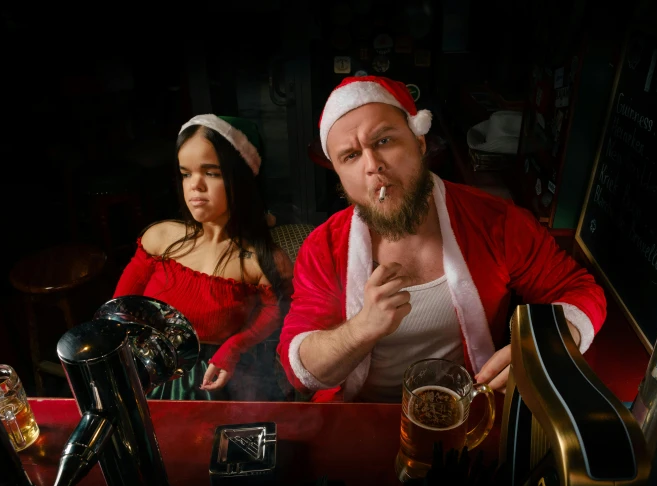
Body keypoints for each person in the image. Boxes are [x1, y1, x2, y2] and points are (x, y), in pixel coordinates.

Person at [277, 76, 607, 402]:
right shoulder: (323, 247)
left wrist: (544, 351)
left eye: (384, 141)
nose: (372, 166)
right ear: (339, 176)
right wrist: (361, 329)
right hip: (359, 417)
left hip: (466, 411)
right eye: (350, 156)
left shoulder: (495, 222)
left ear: (419, 143)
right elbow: (300, 369)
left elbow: (578, 290)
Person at [114, 114, 293, 400]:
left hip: (209, 381)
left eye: (212, 172)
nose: (195, 185)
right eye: (186, 173)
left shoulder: (261, 260)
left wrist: (233, 348)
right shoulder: (159, 239)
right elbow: (118, 310)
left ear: (241, 178)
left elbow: (273, 312)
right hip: (142, 372)